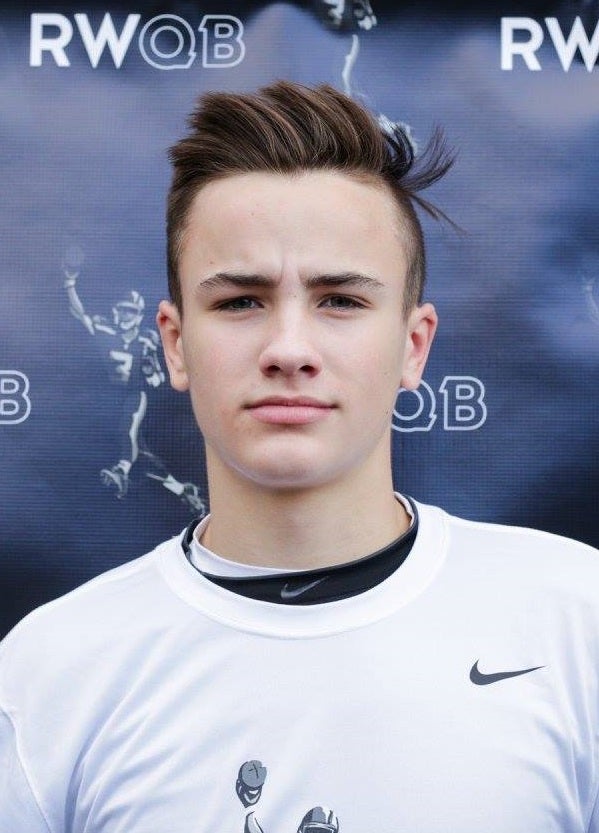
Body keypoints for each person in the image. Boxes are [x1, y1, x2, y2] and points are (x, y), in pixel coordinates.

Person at [1, 81, 598, 833]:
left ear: (413, 345)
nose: (288, 349)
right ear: (175, 344)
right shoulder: (49, 672)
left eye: (340, 300)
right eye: (239, 302)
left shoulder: (578, 620)